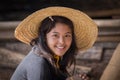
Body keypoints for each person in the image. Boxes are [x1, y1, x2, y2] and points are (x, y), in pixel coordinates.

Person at [10, 6, 98, 80]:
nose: (62, 42)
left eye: (67, 35)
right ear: (44, 37)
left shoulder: (54, 58)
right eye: (55, 35)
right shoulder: (38, 64)